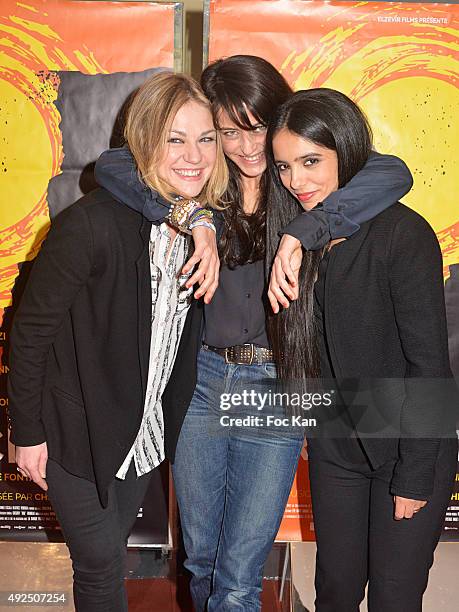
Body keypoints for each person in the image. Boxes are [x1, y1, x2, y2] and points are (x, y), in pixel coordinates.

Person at [94, 55, 413, 611]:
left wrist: (304, 231)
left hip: (275, 385)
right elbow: (110, 166)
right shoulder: (201, 189)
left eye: (257, 127)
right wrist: (190, 219)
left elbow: (394, 172)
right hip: (200, 383)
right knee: (199, 559)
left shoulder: (306, 186)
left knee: (240, 570)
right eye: (226, 132)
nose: (245, 147)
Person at [7, 71, 228, 612]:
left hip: (140, 433)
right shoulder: (91, 225)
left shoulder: (200, 225)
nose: (194, 156)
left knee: (108, 557)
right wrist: (28, 433)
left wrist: (200, 219)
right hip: (72, 431)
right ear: (145, 141)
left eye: (206, 139)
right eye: (175, 139)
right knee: (101, 562)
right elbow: (30, 332)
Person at [266, 87, 458, 611]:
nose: (296, 181)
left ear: (347, 153)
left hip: (407, 447)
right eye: (283, 167)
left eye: (311, 161)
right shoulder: (297, 238)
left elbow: (429, 368)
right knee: (334, 592)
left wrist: (415, 476)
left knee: (394, 599)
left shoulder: (402, 234)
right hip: (338, 450)